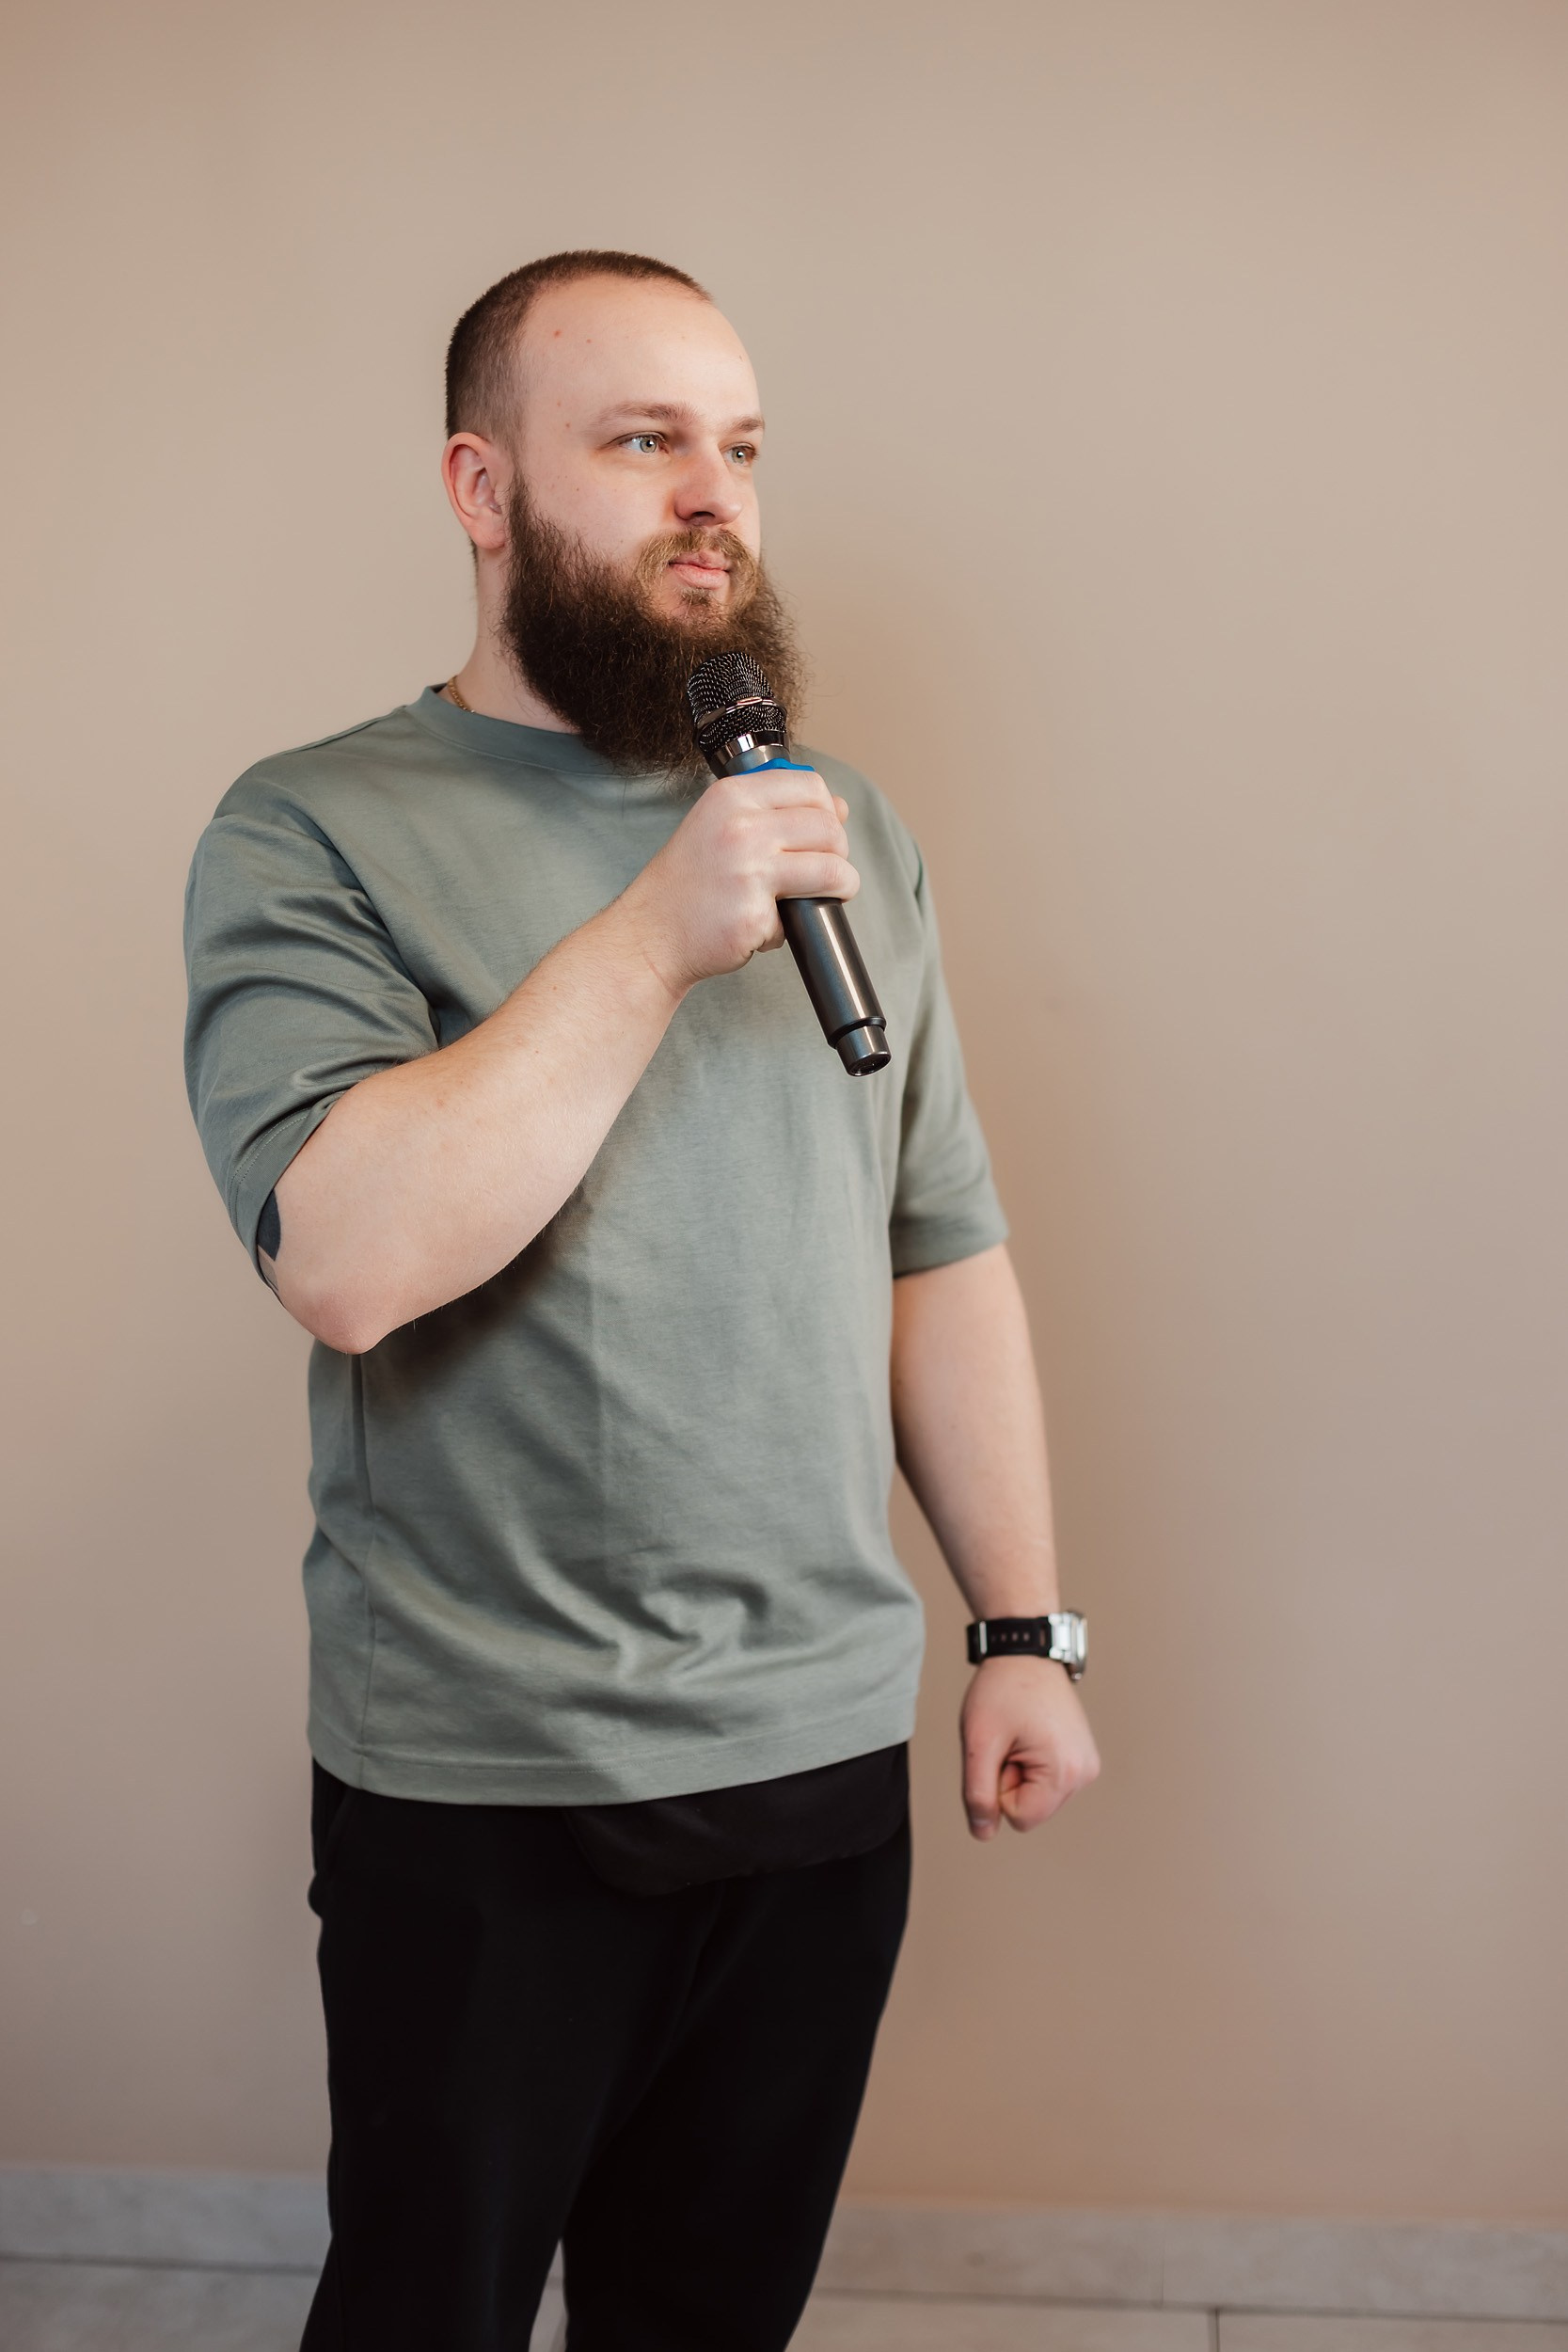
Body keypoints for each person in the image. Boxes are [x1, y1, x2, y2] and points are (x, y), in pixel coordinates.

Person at [183, 248, 1100, 2352]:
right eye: (642, 439)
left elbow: (937, 1244)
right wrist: (654, 932)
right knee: (425, 2312)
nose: (715, 496)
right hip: (488, 1783)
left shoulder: (839, 826)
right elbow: (347, 1261)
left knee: (709, 2320)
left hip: (819, 1759)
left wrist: (1022, 1627)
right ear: (480, 487)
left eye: (742, 448)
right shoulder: (313, 827)